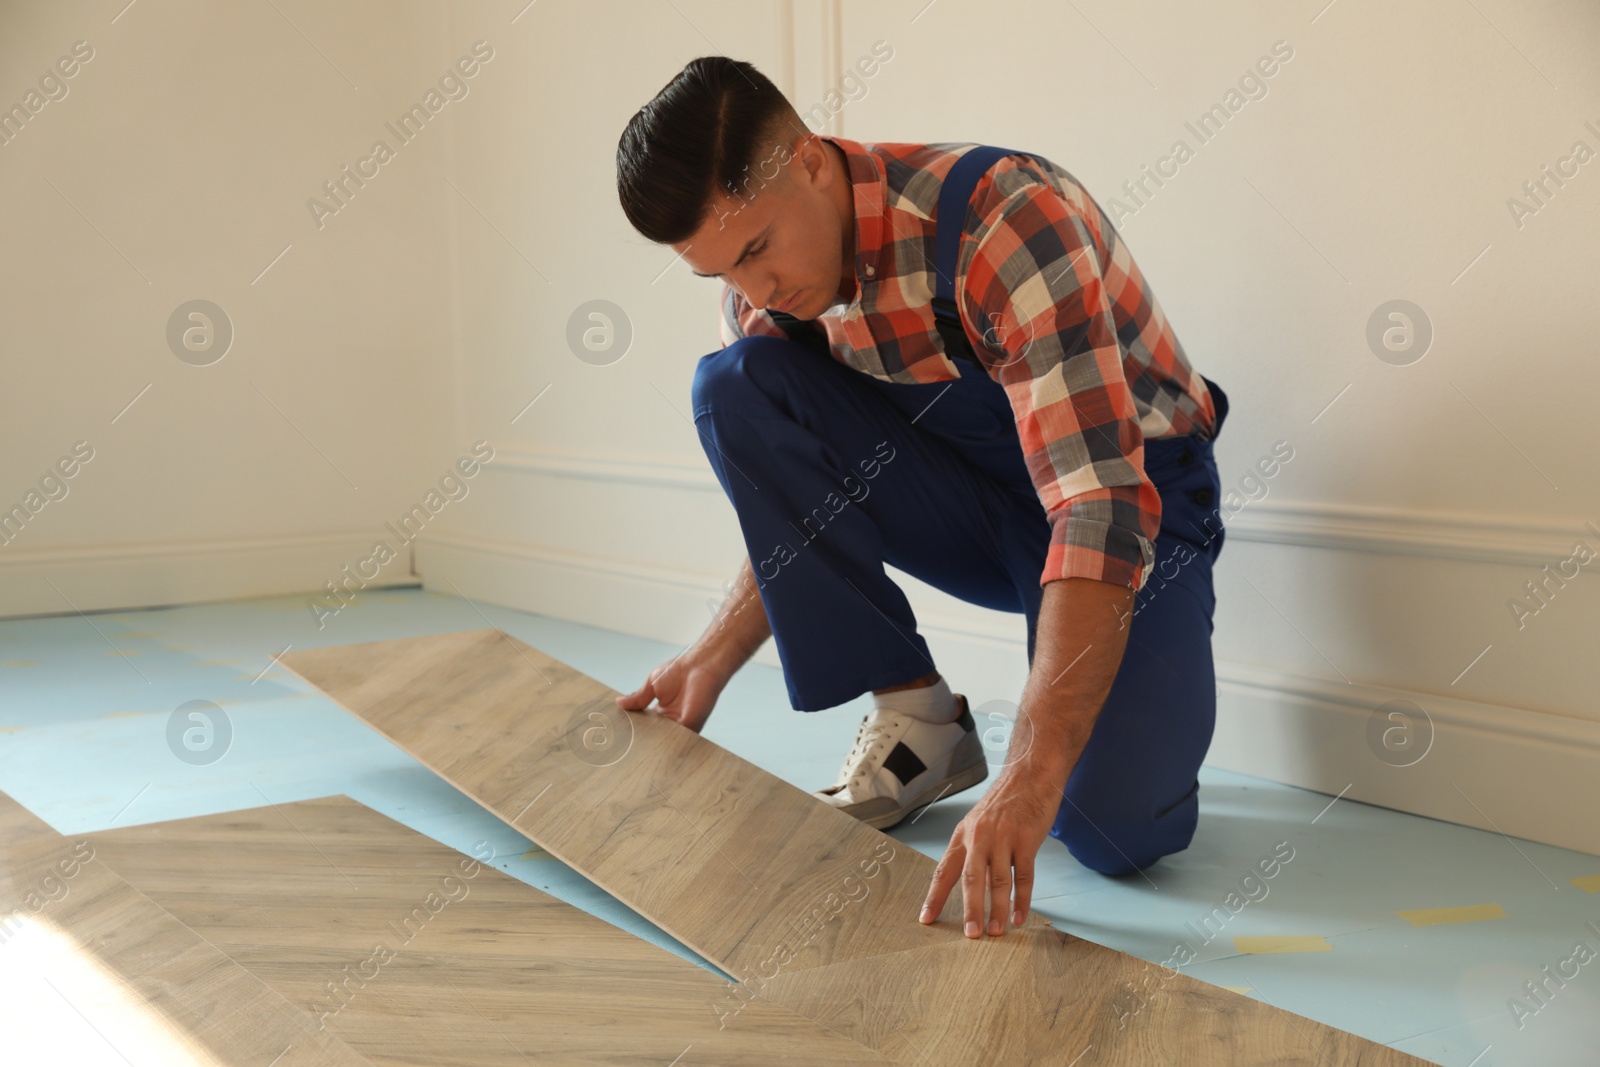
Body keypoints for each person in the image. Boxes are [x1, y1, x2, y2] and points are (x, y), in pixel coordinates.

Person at [612, 56, 1230, 941]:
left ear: (812, 163)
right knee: (737, 384)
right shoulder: (765, 304)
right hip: (973, 501)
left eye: (754, 249)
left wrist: (1030, 774)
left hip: (1133, 509)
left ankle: (1118, 733)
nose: (754, 291)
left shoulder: (1003, 220)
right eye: (720, 272)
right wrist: (708, 657)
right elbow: (799, 496)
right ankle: (921, 718)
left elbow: (1097, 505)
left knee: (1111, 831)